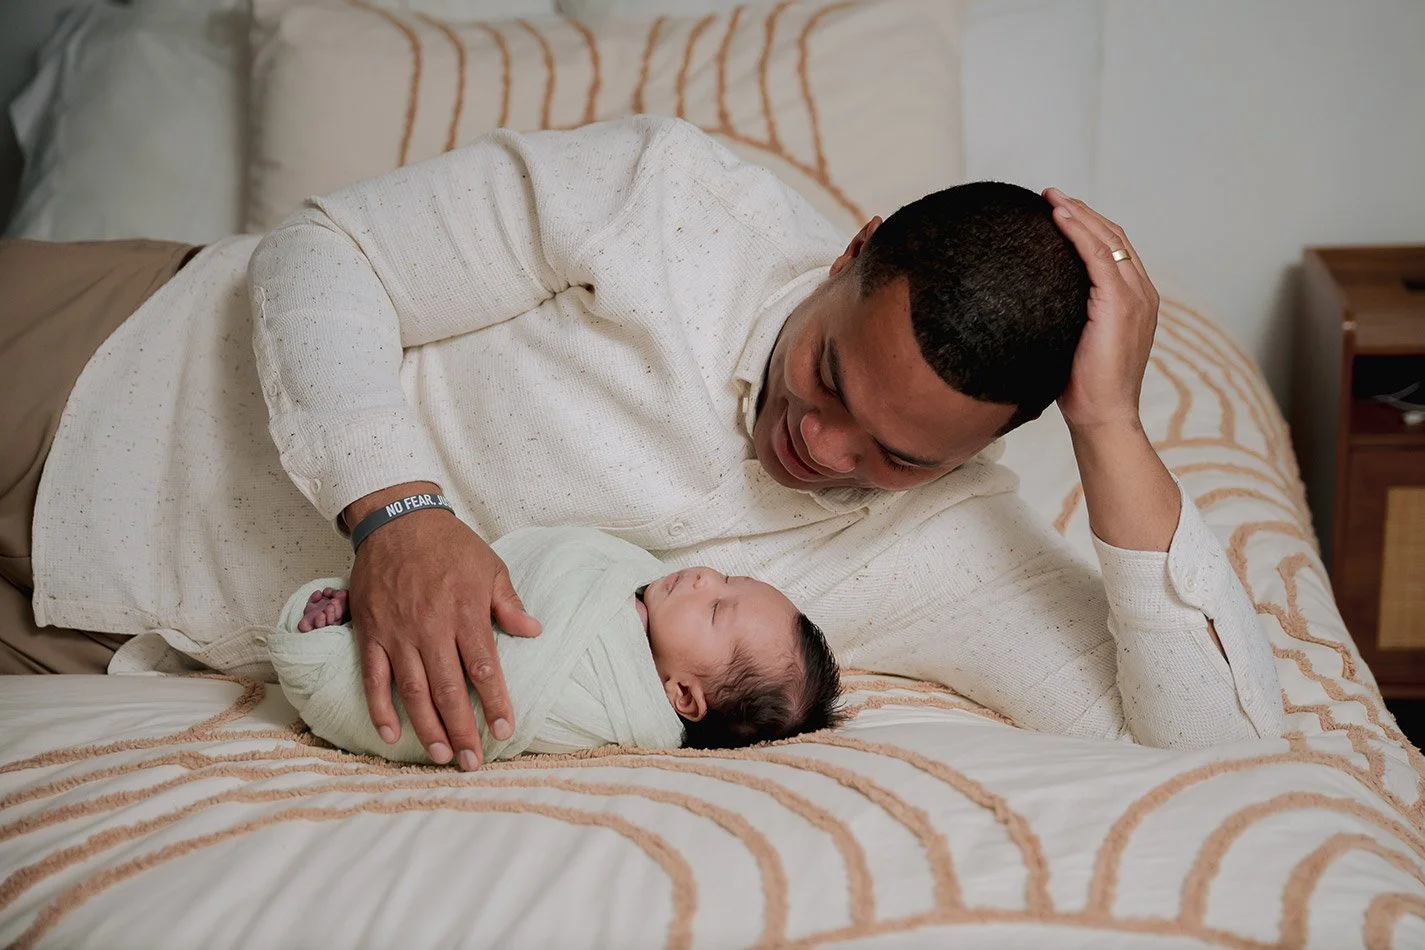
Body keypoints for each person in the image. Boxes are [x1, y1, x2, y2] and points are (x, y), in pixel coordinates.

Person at [0, 116, 1284, 771]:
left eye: (895, 455)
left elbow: (1217, 755)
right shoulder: (670, 198)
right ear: (853, 250)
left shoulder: (950, 552)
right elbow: (327, 252)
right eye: (829, 373)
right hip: (105, 370)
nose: (822, 445)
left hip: (115, 643)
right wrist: (397, 509)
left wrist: (1111, 422)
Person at [269, 526, 844, 766]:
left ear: (683, 698)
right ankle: (362, 617)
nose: (703, 578)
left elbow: (508, 693)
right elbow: (549, 562)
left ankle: (335, 645)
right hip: (436, 597)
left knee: (444, 689)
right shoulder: (635, 577)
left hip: (437, 669)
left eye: (717, 607)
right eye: (725, 577)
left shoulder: (606, 701)